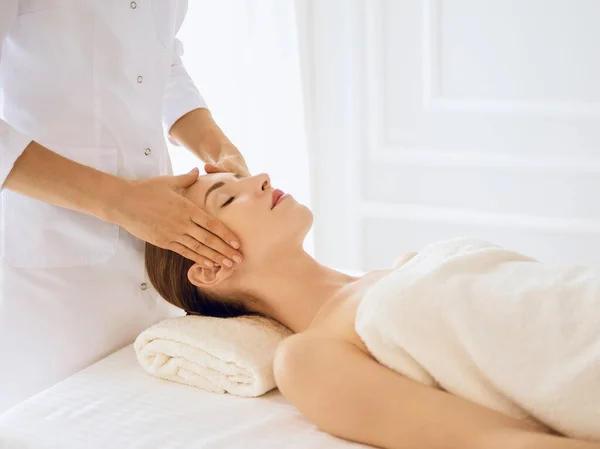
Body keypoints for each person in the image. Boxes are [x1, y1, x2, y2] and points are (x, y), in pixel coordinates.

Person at [145, 171, 600, 449]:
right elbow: (497, 442)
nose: (260, 177)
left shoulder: (395, 270)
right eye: (226, 197)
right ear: (208, 269)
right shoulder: (309, 357)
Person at [0, 1, 248, 413]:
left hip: (154, 240)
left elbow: (159, 62)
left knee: (148, 406)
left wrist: (217, 147)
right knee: (57, 417)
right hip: (48, 259)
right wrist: (120, 202)